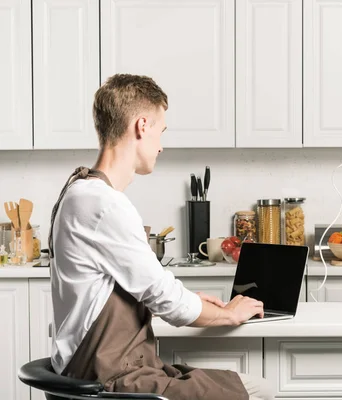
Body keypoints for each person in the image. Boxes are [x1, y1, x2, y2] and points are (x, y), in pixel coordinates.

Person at [48, 73, 273, 400]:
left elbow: (130, 288)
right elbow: (171, 305)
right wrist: (229, 312)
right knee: (260, 391)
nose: (161, 145)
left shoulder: (78, 191)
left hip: (95, 370)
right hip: (109, 380)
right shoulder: (104, 204)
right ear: (142, 126)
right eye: (160, 131)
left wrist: (191, 299)